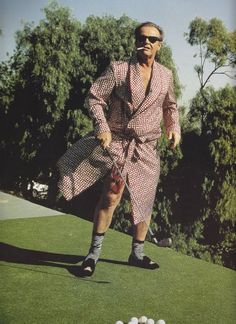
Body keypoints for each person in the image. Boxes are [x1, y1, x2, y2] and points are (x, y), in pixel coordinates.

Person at [57, 21, 181, 276]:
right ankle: (93, 255)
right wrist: (102, 125)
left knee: (144, 201)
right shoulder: (119, 69)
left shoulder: (165, 75)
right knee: (111, 196)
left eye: (152, 38)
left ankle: (137, 254)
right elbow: (94, 98)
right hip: (119, 144)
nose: (147, 41)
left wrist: (173, 129)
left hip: (147, 148)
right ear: (135, 40)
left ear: (160, 44)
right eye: (142, 36)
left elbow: (170, 106)